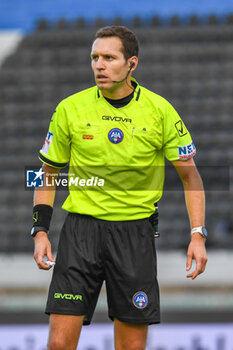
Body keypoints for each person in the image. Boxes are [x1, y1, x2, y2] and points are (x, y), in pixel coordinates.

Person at [32, 25, 207, 350]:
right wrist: (40, 230)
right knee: (58, 345)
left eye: (109, 58)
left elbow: (190, 176)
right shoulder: (70, 108)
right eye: (95, 57)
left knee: (129, 347)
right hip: (80, 235)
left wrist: (197, 233)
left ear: (132, 63)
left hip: (133, 235)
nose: (99, 65)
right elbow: (48, 172)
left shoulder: (160, 111)